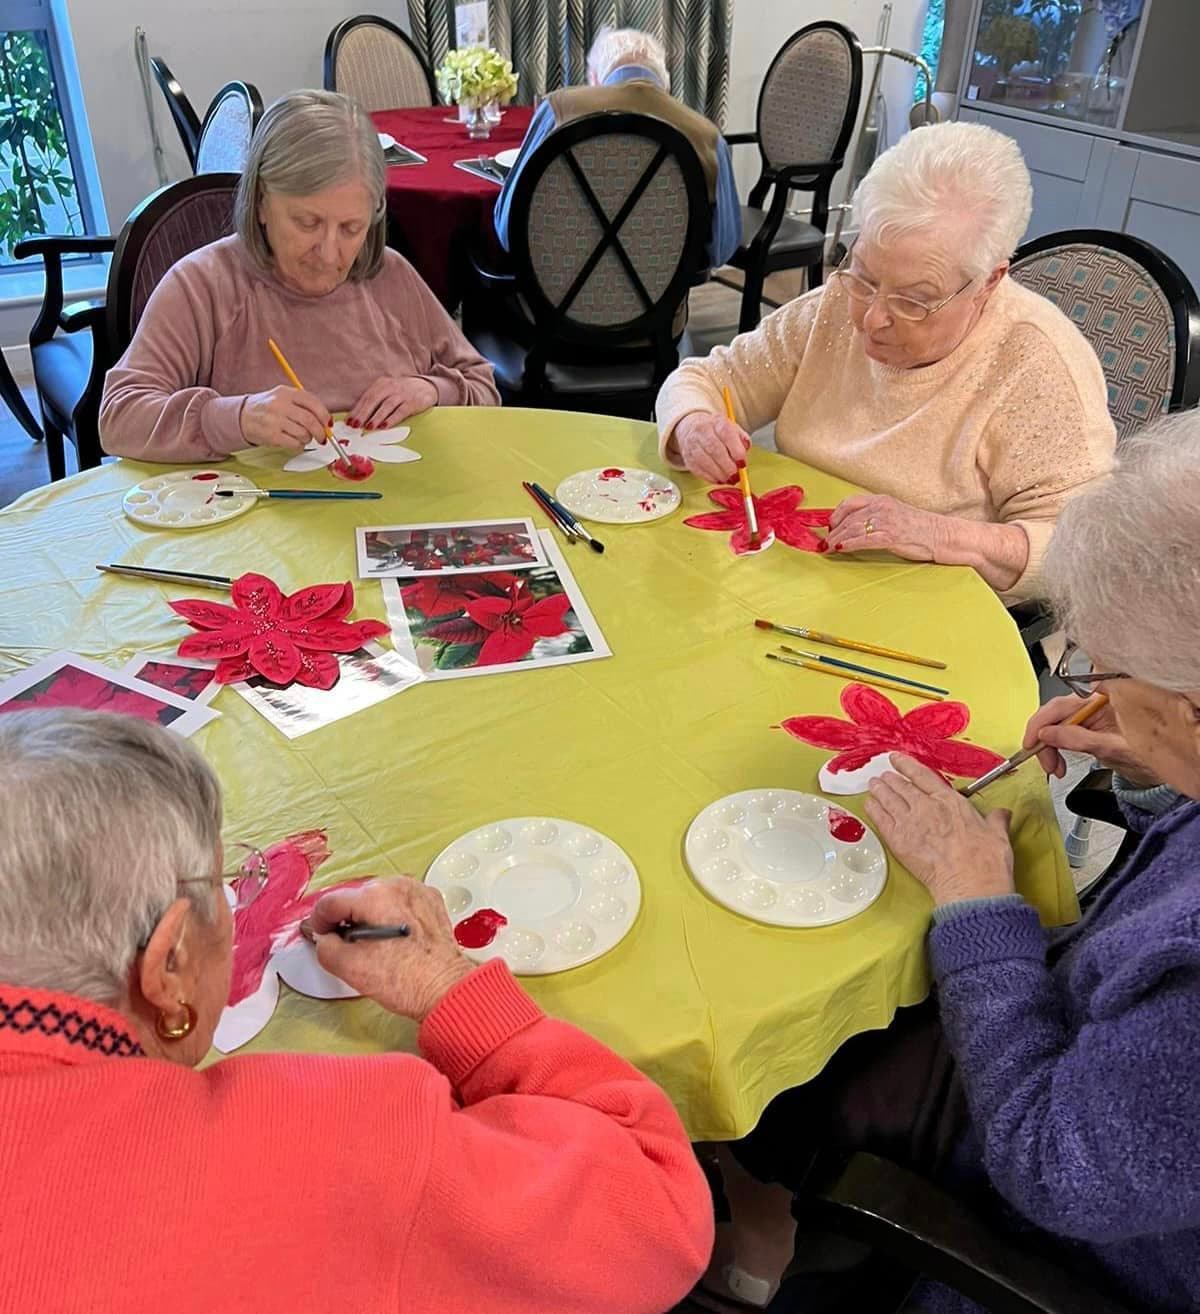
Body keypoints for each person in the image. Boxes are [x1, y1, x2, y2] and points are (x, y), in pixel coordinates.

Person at [712, 414, 1200, 1313]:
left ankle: (785, 1239)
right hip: (1101, 1084)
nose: (1090, 687)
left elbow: (1057, 1174)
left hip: (1066, 1237)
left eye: (1109, 668)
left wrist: (980, 907)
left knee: (797, 1070)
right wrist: (1163, 770)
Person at [0, 709, 714, 1313]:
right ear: (168, 968)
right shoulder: (326, 1142)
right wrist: (450, 990)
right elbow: (657, 1214)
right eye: (219, 888)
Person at [656, 121, 1116, 602]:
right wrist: (694, 424)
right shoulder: (837, 307)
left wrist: (938, 535)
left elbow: (1081, 552)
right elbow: (709, 378)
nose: (872, 319)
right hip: (796, 575)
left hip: (931, 608)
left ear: (989, 282)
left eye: (915, 301)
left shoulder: (1033, 362)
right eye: (864, 277)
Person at [100, 90, 499, 464]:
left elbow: (483, 387)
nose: (329, 253)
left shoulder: (388, 275)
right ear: (260, 203)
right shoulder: (203, 285)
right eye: (307, 223)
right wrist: (235, 418)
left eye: (350, 229)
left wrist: (431, 390)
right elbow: (118, 418)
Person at [493, 27, 742, 271]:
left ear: (594, 79)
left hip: (555, 294)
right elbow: (722, 248)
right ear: (664, 84)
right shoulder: (707, 137)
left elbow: (508, 229)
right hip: (661, 305)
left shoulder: (558, 110)